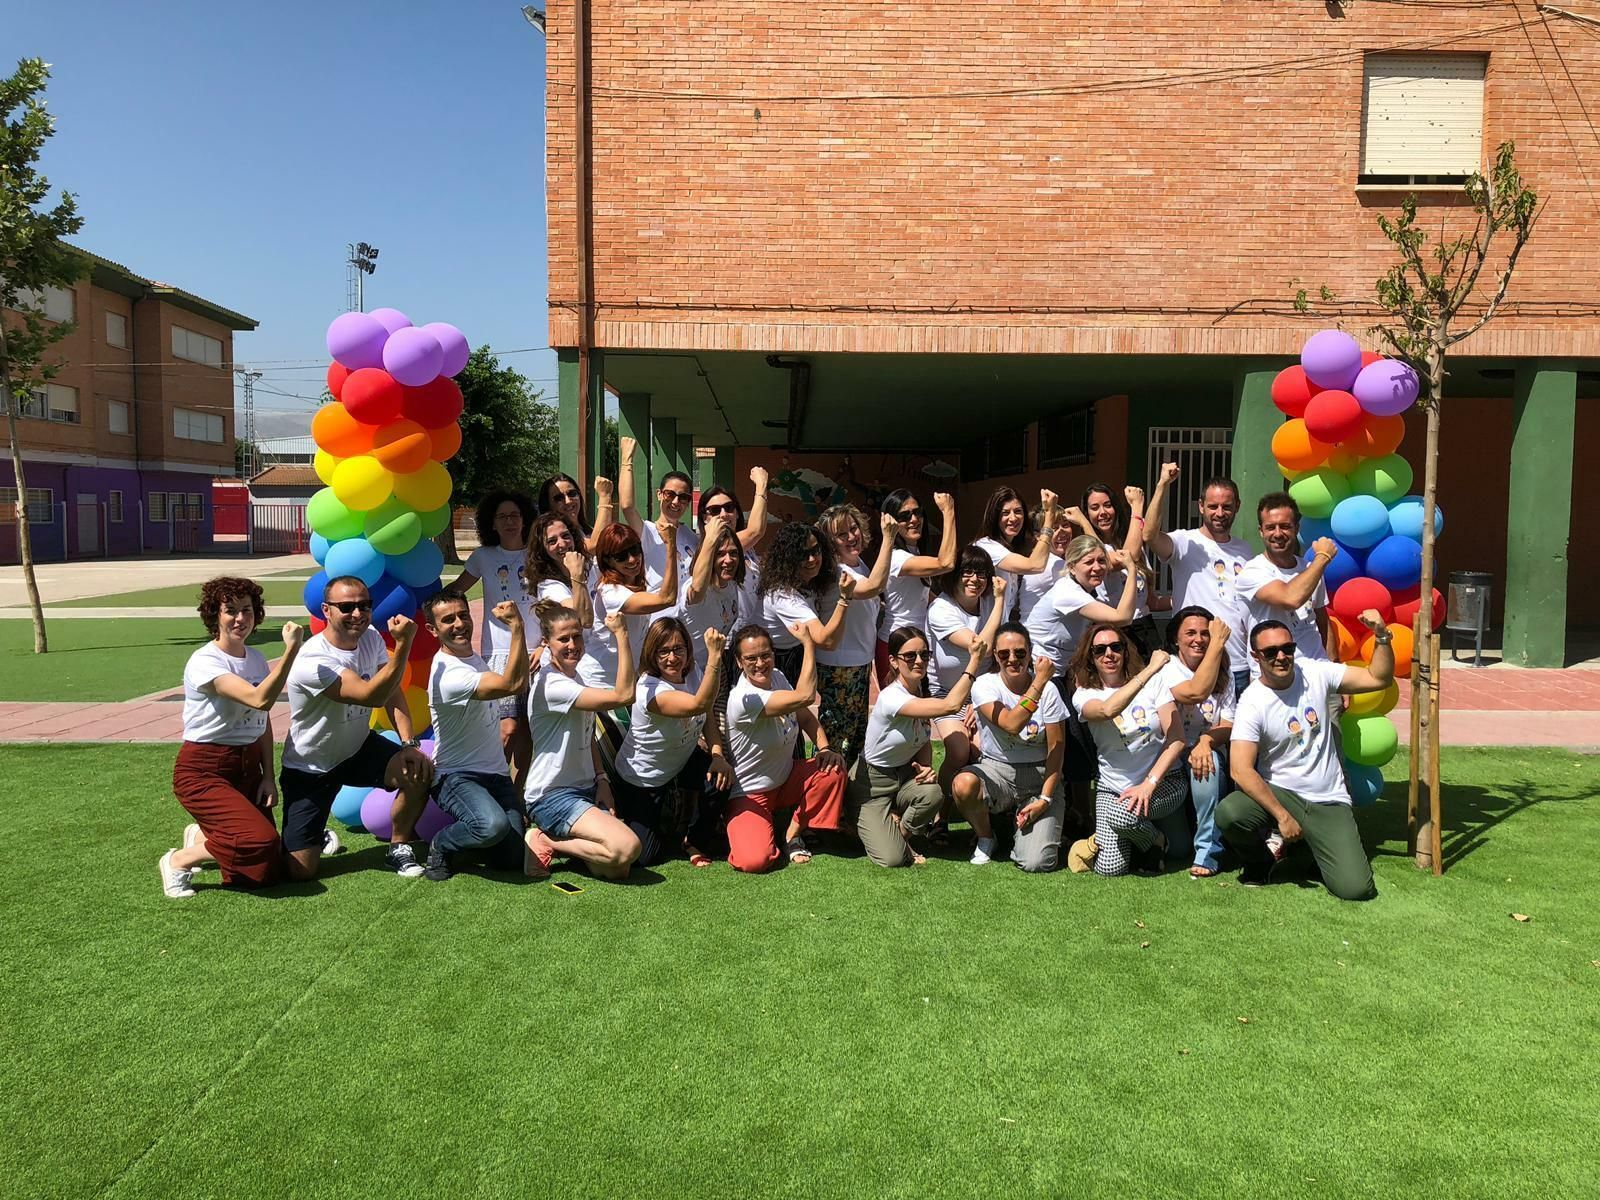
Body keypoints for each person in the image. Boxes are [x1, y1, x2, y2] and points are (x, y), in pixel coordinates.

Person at [1216, 612, 1394, 901]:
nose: (1282, 656)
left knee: (1356, 889)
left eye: (1288, 648)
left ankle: (1305, 851)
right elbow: (1240, 770)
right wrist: (1282, 816)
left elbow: (1378, 678)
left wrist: (1382, 635)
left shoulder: (1315, 672)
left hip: (1328, 798)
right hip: (1282, 792)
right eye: (1271, 651)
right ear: (1255, 656)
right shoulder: (1253, 700)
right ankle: (1260, 863)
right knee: (1230, 813)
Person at [278, 576, 435, 879]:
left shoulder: (372, 637)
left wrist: (408, 744)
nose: (358, 614)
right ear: (326, 610)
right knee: (300, 872)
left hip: (357, 747)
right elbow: (371, 695)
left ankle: (398, 847)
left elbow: (391, 691)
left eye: (365, 605)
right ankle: (313, 836)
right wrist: (404, 644)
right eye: (347, 607)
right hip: (311, 767)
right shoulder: (313, 660)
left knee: (418, 770)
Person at [160, 576, 305, 898]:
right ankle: (179, 860)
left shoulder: (253, 658)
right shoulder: (205, 661)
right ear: (215, 616)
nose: (240, 619)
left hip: (247, 766)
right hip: (204, 769)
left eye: (247, 610)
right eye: (231, 611)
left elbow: (261, 718)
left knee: (264, 872)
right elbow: (259, 699)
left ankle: (202, 836)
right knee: (258, 841)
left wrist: (268, 777)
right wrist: (291, 651)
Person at [420, 590, 547, 882]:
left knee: (510, 859)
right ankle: (442, 843)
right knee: (490, 826)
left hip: (496, 777)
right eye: (448, 620)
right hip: (456, 777)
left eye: (463, 615)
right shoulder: (448, 674)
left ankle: (480, 832)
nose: (459, 624)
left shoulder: (472, 658)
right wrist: (517, 627)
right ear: (432, 629)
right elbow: (513, 684)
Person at [1022, 530, 1146, 830]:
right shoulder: (1067, 591)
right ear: (1072, 564)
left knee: (1080, 737)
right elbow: (1122, 617)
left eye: (1102, 561)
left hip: (1063, 672)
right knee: (1069, 739)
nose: (1097, 568)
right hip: (1037, 673)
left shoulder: (1088, 590)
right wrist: (1130, 569)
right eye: (1089, 561)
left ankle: (1081, 812)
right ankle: (1074, 814)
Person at [523, 602, 644, 879]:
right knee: (627, 848)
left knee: (617, 870)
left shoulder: (574, 677)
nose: (572, 644)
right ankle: (545, 840)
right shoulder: (554, 685)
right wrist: (622, 635)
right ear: (546, 642)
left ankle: (565, 842)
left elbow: (587, 733)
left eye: (576, 636)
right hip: (552, 796)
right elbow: (624, 695)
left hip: (585, 790)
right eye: (563, 638)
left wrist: (601, 780)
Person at [853, 626, 987, 867]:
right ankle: (866, 822)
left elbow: (923, 739)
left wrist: (925, 769)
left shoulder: (919, 692)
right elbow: (951, 706)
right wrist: (974, 660)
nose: (919, 661)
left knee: (932, 792)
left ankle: (901, 833)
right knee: (892, 859)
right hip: (871, 785)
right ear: (893, 662)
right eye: (910, 656)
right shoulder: (892, 697)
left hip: (902, 777)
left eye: (924, 655)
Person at [722, 623, 847, 871]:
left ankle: (792, 833)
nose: (760, 663)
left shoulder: (777, 676)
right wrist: (809, 644)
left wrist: (823, 748)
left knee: (833, 769)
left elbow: (805, 715)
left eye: (765, 655)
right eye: (751, 658)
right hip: (750, 794)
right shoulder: (743, 699)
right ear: (738, 662)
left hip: (786, 779)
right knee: (755, 861)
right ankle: (750, 823)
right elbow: (806, 697)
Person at [1070, 625, 1188, 877]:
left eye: (1116, 647)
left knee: (1124, 817)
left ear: (1125, 650)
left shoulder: (1155, 684)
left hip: (1163, 782)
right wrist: (1149, 669)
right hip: (1112, 788)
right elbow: (1106, 710)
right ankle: (1147, 841)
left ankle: (1149, 840)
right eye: (1099, 650)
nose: (1109, 654)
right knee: (1109, 868)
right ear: (1090, 657)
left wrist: (1149, 783)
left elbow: (1177, 739)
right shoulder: (1085, 694)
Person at [611, 620, 730, 866]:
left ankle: (693, 839)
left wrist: (718, 756)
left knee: (720, 779)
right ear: (651, 654)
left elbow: (706, 713)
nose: (672, 658)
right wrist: (715, 656)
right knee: (645, 857)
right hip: (643, 779)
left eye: (678, 649)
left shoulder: (695, 671)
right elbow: (698, 704)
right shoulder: (650, 690)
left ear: (688, 649)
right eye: (663, 651)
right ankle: (623, 817)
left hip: (680, 761)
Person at [951, 624, 1068, 872]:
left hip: (1039, 777)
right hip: (997, 770)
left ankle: (1014, 828)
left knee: (1037, 863)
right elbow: (1012, 724)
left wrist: (1046, 799)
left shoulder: (1051, 691)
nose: (1012, 660)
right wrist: (1039, 682)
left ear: (1031, 652)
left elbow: (1057, 750)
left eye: (1020, 653)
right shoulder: (985, 684)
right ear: (995, 655)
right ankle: (986, 835)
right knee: (963, 784)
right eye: (1004, 654)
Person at [446, 490, 536, 780]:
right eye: (502, 517)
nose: (510, 522)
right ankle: (488, 787)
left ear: (524, 520)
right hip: (498, 654)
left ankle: (520, 803)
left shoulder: (538, 554)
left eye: (514, 515)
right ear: (491, 524)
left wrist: (547, 646)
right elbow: (456, 591)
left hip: (538, 653)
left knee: (528, 733)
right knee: (506, 728)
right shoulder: (483, 557)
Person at [1144, 463, 1254, 695]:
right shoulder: (1185, 542)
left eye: (1227, 506)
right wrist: (1162, 484)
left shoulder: (1245, 550)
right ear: (1201, 506)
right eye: (1213, 506)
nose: (1220, 513)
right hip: (1195, 664)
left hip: (1239, 665)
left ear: (1237, 507)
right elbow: (1149, 535)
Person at [814, 504, 898, 764]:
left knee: (855, 740)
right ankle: (828, 797)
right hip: (840, 666)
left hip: (858, 663)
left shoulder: (858, 564)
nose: (852, 537)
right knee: (836, 743)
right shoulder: (837, 572)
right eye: (842, 535)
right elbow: (874, 587)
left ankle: (846, 797)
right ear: (829, 542)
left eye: (853, 529)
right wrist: (889, 539)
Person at [1156, 607, 1236, 878]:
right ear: (1176, 639)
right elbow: (1194, 692)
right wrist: (1217, 644)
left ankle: (1208, 850)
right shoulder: (1166, 667)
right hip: (1169, 755)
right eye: (1190, 633)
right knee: (1177, 849)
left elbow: (1227, 723)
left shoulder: (1225, 670)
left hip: (1205, 752)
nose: (1199, 639)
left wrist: (1205, 741)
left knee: (1208, 762)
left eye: (1206, 633)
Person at [926, 547, 1007, 793]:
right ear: (955, 575)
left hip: (981, 692)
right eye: (967, 572)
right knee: (959, 751)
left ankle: (982, 812)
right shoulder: (941, 608)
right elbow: (980, 647)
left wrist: (980, 699)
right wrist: (1001, 601)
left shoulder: (989, 602)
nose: (975, 579)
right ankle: (941, 815)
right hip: (947, 694)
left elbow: (996, 655)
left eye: (982, 573)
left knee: (985, 750)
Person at [1235, 492, 1336, 679]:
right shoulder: (1252, 572)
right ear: (1261, 531)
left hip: (1318, 673)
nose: (1278, 533)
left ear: (1296, 528)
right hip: (1274, 678)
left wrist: (1334, 671)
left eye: (1285, 526)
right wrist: (1322, 558)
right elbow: (1290, 599)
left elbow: (1322, 620)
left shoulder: (1309, 569)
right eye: (1270, 527)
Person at [755, 519, 854, 684]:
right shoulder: (783, 596)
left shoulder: (811, 580)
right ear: (788, 559)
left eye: (816, 550)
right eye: (802, 554)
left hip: (792, 653)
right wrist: (845, 598)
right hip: (767, 661)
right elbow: (827, 641)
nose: (811, 559)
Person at [875, 489, 958, 684]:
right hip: (897, 645)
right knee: (901, 710)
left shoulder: (914, 552)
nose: (914, 519)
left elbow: (924, 597)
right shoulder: (896, 557)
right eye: (904, 516)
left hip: (917, 643)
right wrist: (948, 511)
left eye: (917, 513)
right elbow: (945, 563)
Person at [1074, 481, 1162, 656]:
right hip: (1114, 632)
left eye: (1107, 505)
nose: (1102, 512)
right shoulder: (1091, 551)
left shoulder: (1134, 544)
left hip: (1146, 628)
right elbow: (1125, 558)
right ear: (1087, 513)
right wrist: (1137, 507)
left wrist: (1183, 599)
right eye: (1094, 507)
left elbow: (1150, 601)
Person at [592, 521, 678, 673]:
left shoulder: (636, 583)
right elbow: (668, 598)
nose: (632, 559)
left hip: (628, 677)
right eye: (621, 556)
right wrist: (670, 545)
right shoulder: (611, 593)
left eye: (635, 549)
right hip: (601, 681)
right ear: (607, 560)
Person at [622, 458, 699, 606]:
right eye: (670, 494)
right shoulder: (648, 532)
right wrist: (627, 460)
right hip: (658, 619)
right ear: (659, 494)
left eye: (683, 497)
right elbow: (627, 507)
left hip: (687, 622)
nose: (676, 502)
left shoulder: (690, 535)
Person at [972, 485, 1060, 613]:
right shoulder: (986, 546)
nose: (1013, 518)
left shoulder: (1015, 548)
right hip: (982, 630)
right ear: (994, 517)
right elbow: (1035, 565)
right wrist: (1049, 515)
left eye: (1018, 511)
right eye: (1005, 513)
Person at [680, 516, 750, 674]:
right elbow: (697, 589)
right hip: (686, 673)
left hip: (712, 669)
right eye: (720, 554)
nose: (728, 560)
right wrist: (710, 539)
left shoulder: (732, 585)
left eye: (733, 553)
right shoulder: (698, 590)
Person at [522, 511, 596, 638]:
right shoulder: (547, 586)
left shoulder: (592, 566)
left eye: (566, 535)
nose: (562, 544)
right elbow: (583, 620)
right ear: (543, 549)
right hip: (580, 653)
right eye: (552, 541)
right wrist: (577, 575)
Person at [697, 465, 771, 554]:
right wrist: (761, 485)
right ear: (705, 518)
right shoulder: (714, 547)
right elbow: (755, 532)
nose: (724, 514)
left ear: (737, 513)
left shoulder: (747, 546)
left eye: (729, 507)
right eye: (715, 510)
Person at [538, 471, 616, 555]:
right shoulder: (554, 535)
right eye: (559, 498)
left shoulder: (587, 530)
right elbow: (595, 546)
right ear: (548, 505)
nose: (568, 501)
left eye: (572, 494)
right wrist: (605, 496)